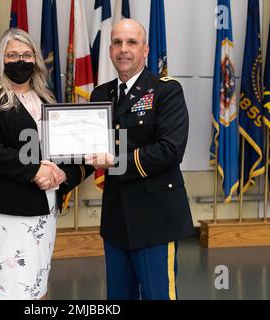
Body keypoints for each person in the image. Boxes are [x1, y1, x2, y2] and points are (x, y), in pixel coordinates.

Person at [0, 28, 91, 300]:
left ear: (36, 60)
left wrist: (62, 175)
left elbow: (63, 152)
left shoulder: (47, 99)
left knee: (33, 285)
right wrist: (35, 171)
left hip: (40, 208)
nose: (20, 61)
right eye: (12, 55)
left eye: (27, 54)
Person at [86, 19, 194, 300]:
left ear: (145, 50)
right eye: (117, 43)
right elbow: (87, 151)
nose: (124, 50)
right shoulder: (101, 95)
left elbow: (171, 149)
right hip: (116, 219)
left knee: (158, 295)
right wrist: (57, 175)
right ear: (110, 50)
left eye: (131, 43)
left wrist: (116, 160)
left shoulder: (166, 91)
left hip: (156, 219)